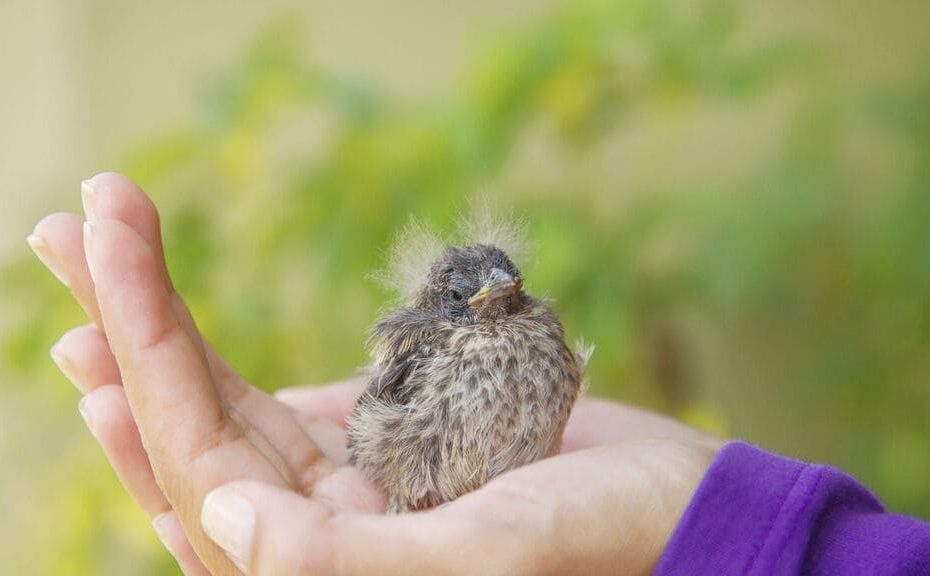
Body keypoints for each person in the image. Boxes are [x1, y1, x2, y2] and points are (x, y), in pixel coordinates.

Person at [28, 172, 930, 575]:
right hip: (416, 476)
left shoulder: (542, 339)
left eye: (511, 289)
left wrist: (701, 520)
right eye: (478, 294)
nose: (501, 300)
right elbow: (377, 427)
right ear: (449, 301)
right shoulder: (422, 343)